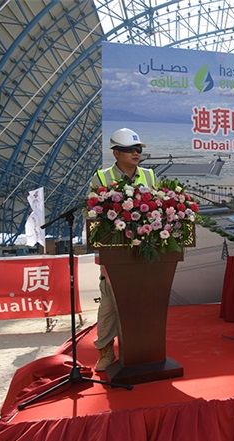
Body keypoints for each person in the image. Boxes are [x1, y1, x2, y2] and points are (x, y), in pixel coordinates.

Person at [90, 128, 157, 372]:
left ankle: (143, 348)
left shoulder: (150, 176)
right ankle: (106, 351)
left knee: (143, 302)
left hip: (145, 250)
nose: (136, 153)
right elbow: (94, 214)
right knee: (109, 304)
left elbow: (158, 209)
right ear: (116, 153)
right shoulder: (102, 177)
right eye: (130, 150)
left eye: (138, 149)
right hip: (114, 251)